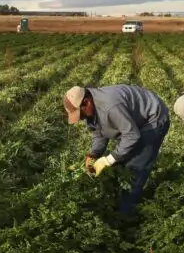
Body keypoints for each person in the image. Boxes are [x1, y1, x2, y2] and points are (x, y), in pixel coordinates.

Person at [64, 84, 170, 214]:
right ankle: (118, 200)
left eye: (80, 114)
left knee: (133, 170)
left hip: (153, 119)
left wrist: (108, 160)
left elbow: (131, 135)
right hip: (133, 124)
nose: (81, 118)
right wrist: (93, 154)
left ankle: (126, 214)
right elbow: (99, 134)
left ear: (86, 102)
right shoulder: (91, 110)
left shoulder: (110, 106)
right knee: (120, 161)